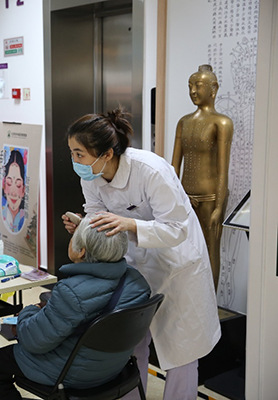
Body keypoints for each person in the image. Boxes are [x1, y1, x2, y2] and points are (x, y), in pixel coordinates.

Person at [62, 108, 221, 400]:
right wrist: (84, 226)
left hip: (176, 266)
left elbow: (176, 228)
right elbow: (97, 216)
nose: (74, 161)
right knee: (131, 342)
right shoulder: (92, 176)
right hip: (134, 266)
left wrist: (130, 224)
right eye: (72, 153)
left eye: (79, 154)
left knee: (180, 351)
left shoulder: (150, 170)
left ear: (106, 154)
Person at [0, 214, 151, 400]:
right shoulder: (137, 282)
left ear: (81, 251)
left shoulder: (71, 292)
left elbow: (33, 341)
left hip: (73, 372)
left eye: (74, 237)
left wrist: (27, 311)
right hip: (113, 367)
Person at [172, 64, 233, 290]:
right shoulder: (184, 122)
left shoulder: (222, 123)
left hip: (210, 198)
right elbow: (174, 167)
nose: (193, 91)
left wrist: (218, 206)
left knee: (210, 250)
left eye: (198, 86)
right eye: (190, 86)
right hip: (185, 197)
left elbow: (223, 169)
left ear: (213, 89)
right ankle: (191, 299)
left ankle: (211, 302)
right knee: (184, 250)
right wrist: (174, 197)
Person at [2, 149, 26, 233]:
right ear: (4, 187)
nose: (13, 193)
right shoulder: (0, 214)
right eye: (9, 183)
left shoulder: (25, 218)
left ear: (23, 189)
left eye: (18, 185)